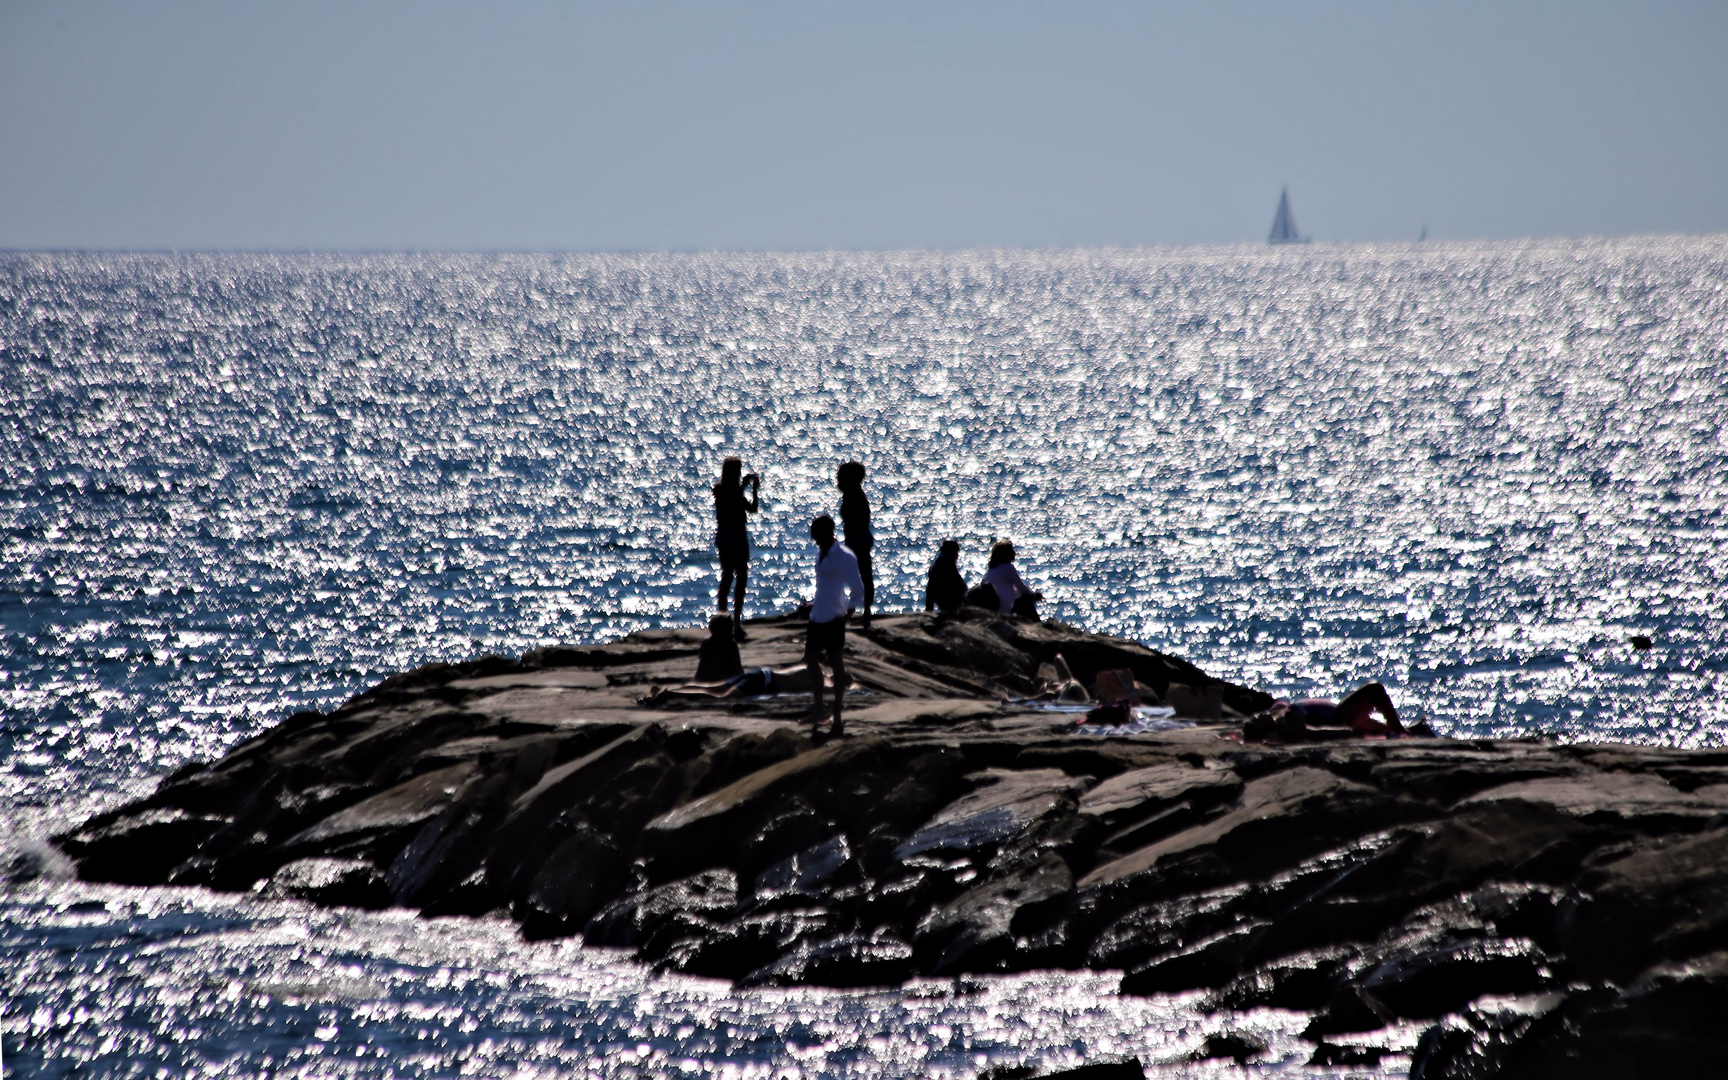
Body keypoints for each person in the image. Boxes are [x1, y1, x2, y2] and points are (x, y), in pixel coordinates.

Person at [805, 513, 865, 735]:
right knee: (811, 659)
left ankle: (837, 715)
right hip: (818, 613)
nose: (815, 540)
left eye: (818, 535)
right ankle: (819, 709)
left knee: (836, 662)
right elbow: (825, 585)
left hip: (834, 616)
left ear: (829, 532)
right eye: (814, 536)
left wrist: (848, 613)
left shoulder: (844, 556)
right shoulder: (822, 553)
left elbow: (857, 588)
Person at [1244, 682, 1407, 742]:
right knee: (1375, 690)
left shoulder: (1276, 712)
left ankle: (1400, 731)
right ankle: (1400, 730)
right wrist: (1348, 733)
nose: (1257, 715)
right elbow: (1313, 734)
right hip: (1338, 719)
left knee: (1383, 728)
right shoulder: (1285, 722)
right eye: (1257, 719)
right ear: (1264, 729)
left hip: (1336, 715)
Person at [713, 457, 761, 640]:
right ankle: (723, 619)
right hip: (727, 535)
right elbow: (729, 502)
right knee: (727, 576)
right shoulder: (720, 489)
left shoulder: (737, 491)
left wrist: (754, 491)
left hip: (739, 534)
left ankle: (737, 621)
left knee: (741, 577)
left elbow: (753, 509)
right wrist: (744, 487)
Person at [640, 664, 826, 707]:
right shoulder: (817, 676)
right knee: (725, 697)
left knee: (713, 689)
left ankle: (665, 691)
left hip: (761, 674)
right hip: (763, 681)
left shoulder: (809, 668)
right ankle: (670, 695)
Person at [836, 461, 875, 627]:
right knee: (857, 576)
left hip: (858, 539)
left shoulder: (855, 496)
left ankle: (861, 613)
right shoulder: (852, 495)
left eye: (840, 477)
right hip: (855, 538)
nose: (837, 480)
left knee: (862, 576)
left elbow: (860, 521)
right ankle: (856, 612)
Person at [979, 539, 1042, 619]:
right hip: (1004, 609)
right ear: (1007, 554)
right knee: (1027, 599)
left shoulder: (991, 569)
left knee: (1025, 597)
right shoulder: (1008, 567)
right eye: (1012, 552)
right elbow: (1021, 587)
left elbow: (1005, 589)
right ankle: (1038, 624)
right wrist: (1033, 595)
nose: (1014, 554)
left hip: (995, 608)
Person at [693, 614, 744, 683]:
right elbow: (737, 668)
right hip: (723, 680)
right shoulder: (730, 645)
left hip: (703, 679)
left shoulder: (706, 643)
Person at [924, 539, 967, 614]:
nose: (957, 555)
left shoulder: (938, 562)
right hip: (948, 601)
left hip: (944, 599)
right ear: (951, 552)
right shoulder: (946, 564)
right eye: (956, 552)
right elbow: (958, 583)